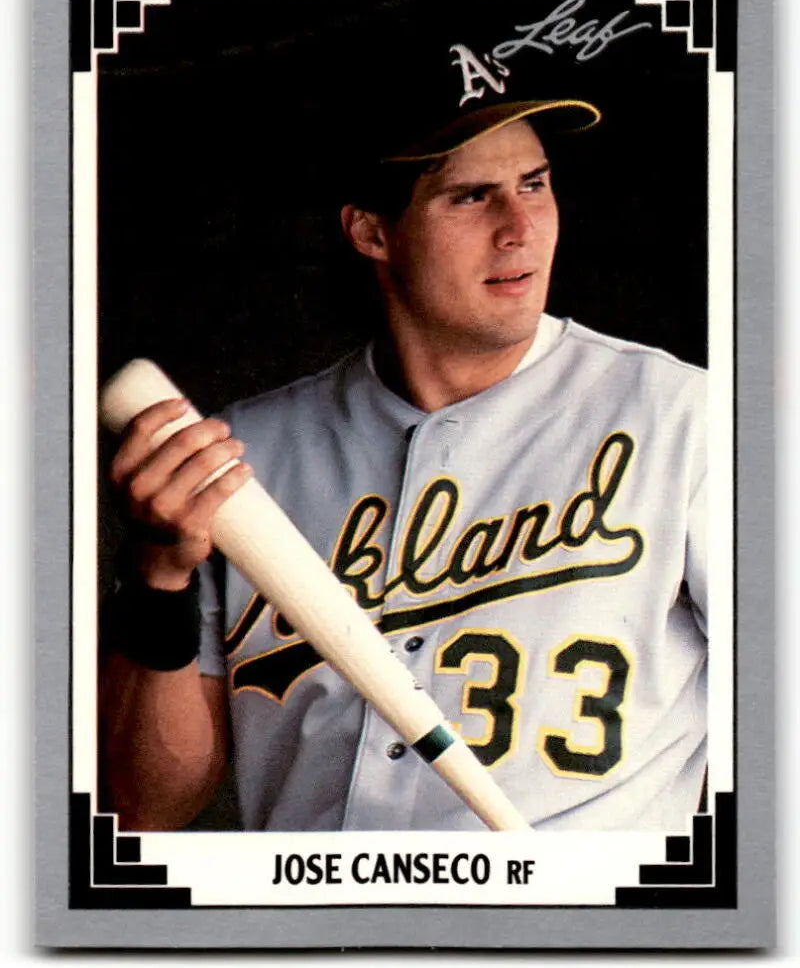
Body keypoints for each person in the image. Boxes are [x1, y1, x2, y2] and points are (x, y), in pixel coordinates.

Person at [101, 86, 707, 833]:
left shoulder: (687, 418)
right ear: (372, 231)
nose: (520, 228)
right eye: (471, 197)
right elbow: (144, 810)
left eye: (535, 185)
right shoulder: (240, 462)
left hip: (574, 936)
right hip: (319, 938)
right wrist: (159, 579)